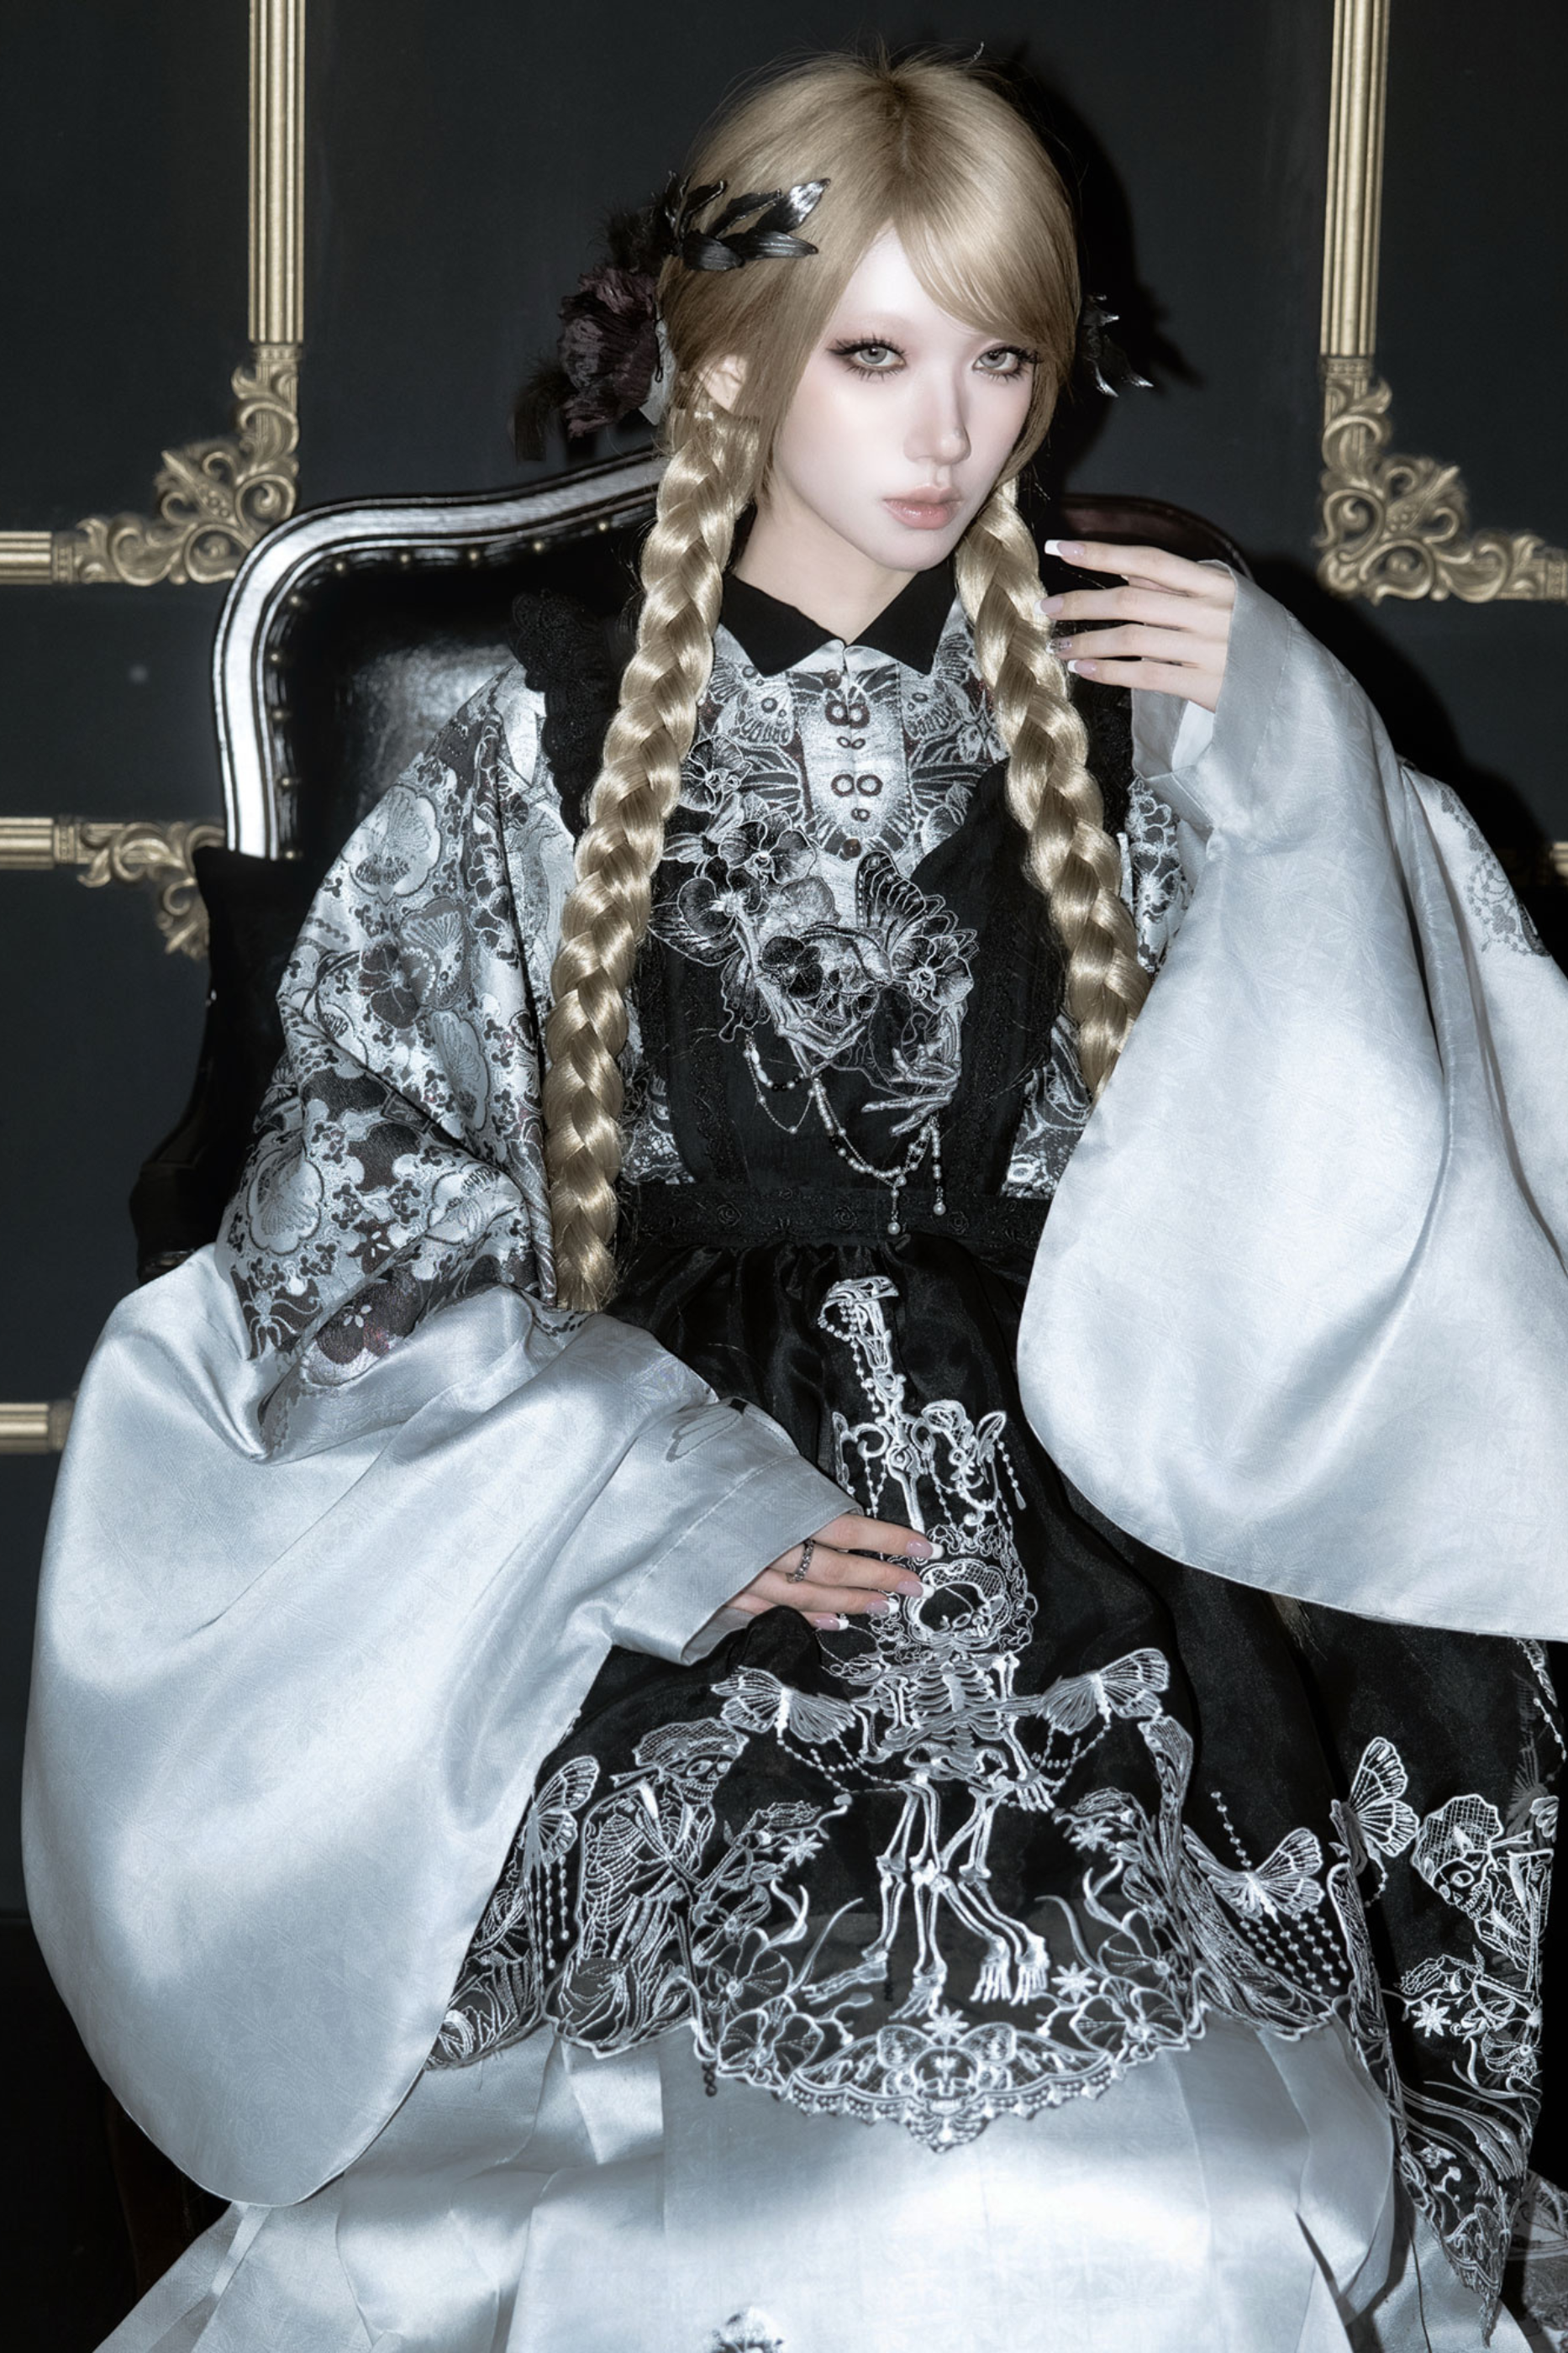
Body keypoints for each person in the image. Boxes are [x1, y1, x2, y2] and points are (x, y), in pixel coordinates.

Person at [24, 49, 1568, 2353]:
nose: (950, 435)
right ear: (728, 355)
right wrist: (632, 1491)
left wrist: (1306, 764)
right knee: (655, 2194)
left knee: (1198, 2187)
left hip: (1105, 1478)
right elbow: (358, 1198)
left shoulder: (1156, 702)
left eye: (1002, 360)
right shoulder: (523, 743)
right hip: (653, 1482)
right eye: (873, 355)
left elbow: (1379, 1129)